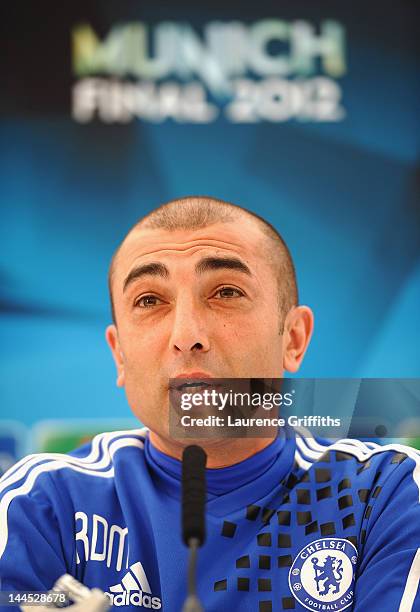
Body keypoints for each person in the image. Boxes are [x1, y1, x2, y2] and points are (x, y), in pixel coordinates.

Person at [0, 196, 419, 612]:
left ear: (293, 339)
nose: (187, 334)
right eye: (149, 300)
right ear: (119, 355)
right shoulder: (40, 503)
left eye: (225, 292)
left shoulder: (386, 494)